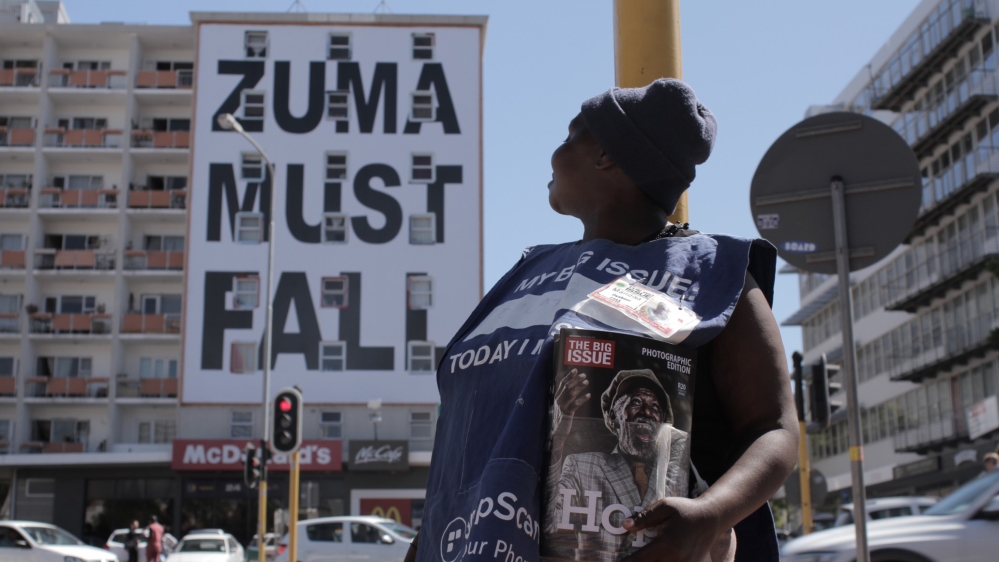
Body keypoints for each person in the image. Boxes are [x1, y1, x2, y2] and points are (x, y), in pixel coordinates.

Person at [406, 78, 798, 562]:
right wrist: (427, 539)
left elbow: (773, 427)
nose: (554, 155)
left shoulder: (713, 276)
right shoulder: (529, 273)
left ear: (606, 155)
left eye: (571, 136)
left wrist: (711, 514)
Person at [545, 369, 689, 560]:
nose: (647, 412)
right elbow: (550, 525)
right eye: (635, 402)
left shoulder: (675, 476)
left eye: (655, 407)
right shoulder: (583, 466)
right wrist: (557, 442)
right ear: (614, 416)